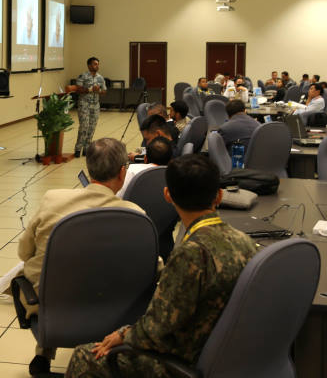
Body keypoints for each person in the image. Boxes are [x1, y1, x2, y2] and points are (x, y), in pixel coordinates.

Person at [64, 155, 258, 378]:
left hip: (182, 359)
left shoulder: (191, 253)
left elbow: (156, 330)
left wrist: (123, 334)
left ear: (167, 195)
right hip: (225, 354)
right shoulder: (245, 240)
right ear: (219, 196)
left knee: (84, 356)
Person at [0, 138, 145, 376]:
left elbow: (24, 253)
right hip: (115, 311)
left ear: (89, 168)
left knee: (57, 273)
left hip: (53, 308)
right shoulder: (135, 216)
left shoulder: (53, 200)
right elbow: (152, 268)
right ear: (122, 173)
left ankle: (43, 355)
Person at [72, 57, 107, 157]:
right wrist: (91, 89)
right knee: (84, 126)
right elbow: (78, 90)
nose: (97, 66)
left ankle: (87, 148)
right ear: (89, 65)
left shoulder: (100, 78)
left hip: (95, 105)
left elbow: (104, 91)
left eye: (98, 64)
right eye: (95, 64)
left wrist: (99, 91)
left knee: (92, 127)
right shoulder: (82, 76)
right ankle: (78, 148)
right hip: (84, 104)